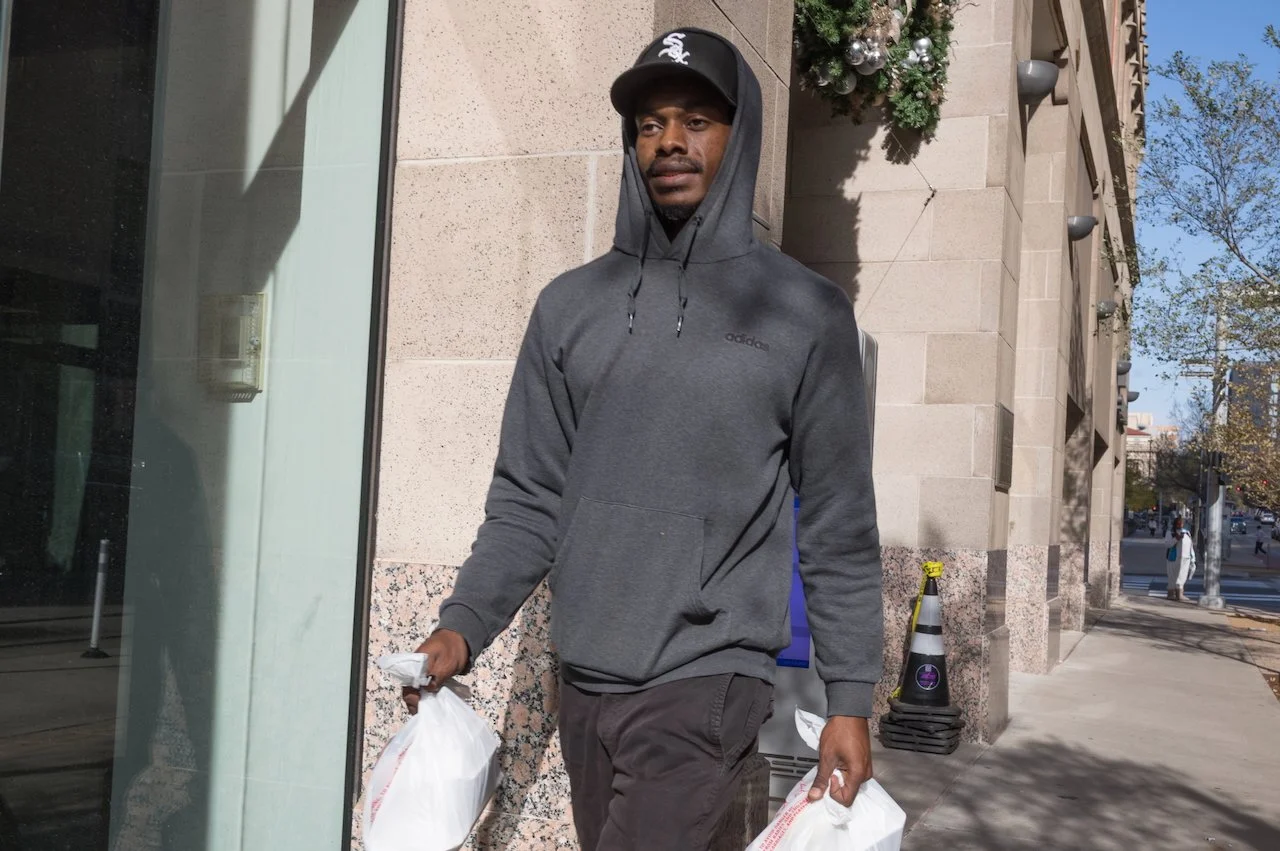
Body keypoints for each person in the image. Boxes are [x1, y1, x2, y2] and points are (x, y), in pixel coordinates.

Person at [401, 28, 883, 850]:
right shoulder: (570, 307)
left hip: (708, 677)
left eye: (696, 120)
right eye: (650, 123)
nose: (668, 142)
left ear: (740, 135)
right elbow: (528, 498)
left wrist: (849, 695)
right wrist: (463, 623)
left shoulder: (804, 313)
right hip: (584, 676)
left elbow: (839, 524)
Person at [1166, 518, 1195, 602]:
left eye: (1181, 523)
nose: (1180, 525)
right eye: (1178, 523)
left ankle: (1179, 594)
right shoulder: (1170, 533)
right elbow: (1167, 544)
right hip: (1173, 558)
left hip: (1185, 559)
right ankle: (1171, 593)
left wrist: (1193, 558)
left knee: (1182, 576)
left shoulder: (1187, 533)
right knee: (1172, 576)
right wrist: (1176, 539)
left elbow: (1191, 547)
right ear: (1175, 524)